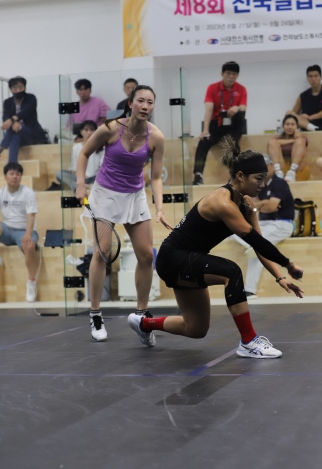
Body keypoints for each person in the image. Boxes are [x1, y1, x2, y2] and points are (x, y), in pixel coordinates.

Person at [128, 136, 304, 359]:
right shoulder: (222, 203)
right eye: (258, 179)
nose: (262, 184)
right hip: (173, 259)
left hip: (189, 260)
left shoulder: (247, 204)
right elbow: (256, 241)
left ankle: (144, 324)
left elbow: (260, 245)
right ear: (240, 176)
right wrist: (288, 263)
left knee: (196, 329)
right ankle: (249, 341)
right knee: (231, 271)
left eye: (264, 178)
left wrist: (280, 277)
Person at [76, 85, 173, 342]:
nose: (145, 106)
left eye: (150, 102)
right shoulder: (110, 128)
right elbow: (84, 153)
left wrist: (159, 208)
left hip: (134, 196)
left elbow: (156, 177)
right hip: (105, 195)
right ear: (130, 103)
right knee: (103, 252)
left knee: (146, 255)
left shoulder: (156, 137)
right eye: (140, 101)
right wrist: (80, 184)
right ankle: (95, 314)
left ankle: (141, 316)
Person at [233, 157, 295, 299]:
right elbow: (250, 205)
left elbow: (270, 207)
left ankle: (249, 290)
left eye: (266, 167)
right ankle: (255, 247)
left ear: (272, 166)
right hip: (265, 224)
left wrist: (260, 205)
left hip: (281, 224)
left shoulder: (279, 183)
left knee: (258, 247)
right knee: (233, 229)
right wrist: (263, 204)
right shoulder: (259, 184)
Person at [192, 61, 247, 185]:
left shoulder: (242, 89)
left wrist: (237, 108)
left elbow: (243, 108)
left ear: (237, 76)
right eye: (228, 73)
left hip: (233, 126)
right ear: (222, 74)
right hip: (216, 125)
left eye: (234, 74)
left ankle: (234, 176)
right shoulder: (212, 88)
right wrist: (205, 130)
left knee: (233, 145)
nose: (231, 77)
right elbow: (208, 109)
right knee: (203, 142)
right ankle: (198, 175)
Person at [0, 162, 40, 302]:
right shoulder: (1, 193)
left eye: (18, 174)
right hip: (7, 229)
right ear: (5, 176)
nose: (15, 176)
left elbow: (31, 216)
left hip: (24, 230)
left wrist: (28, 234)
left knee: (29, 245)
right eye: (11, 173)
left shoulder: (28, 193)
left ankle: (31, 282)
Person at [46, 120, 104, 191]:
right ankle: (77, 187)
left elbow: (102, 167)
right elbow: (73, 168)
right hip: (79, 178)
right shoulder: (76, 148)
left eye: (92, 130)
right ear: (81, 132)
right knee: (60, 174)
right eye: (86, 130)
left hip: (94, 178)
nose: (89, 133)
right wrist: (80, 176)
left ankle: (86, 185)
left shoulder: (101, 147)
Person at [0, 76, 47, 162]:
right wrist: (13, 123)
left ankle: (2, 146)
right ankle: (12, 165)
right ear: (11, 90)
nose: (18, 91)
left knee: (16, 130)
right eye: (15, 88)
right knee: (15, 137)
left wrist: (12, 120)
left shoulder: (31, 98)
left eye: (20, 87)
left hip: (31, 133)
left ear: (25, 87)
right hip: (17, 134)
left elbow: (26, 111)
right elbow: (5, 116)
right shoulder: (7, 102)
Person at [286, 65, 322, 131]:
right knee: (289, 113)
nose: (313, 79)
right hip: (308, 127)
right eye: (310, 76)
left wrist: (310, 117)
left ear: (320, 77)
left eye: (316, 76)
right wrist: (301, 118)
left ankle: (318, 129)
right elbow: (291, 116)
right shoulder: (302, 96)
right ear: (307, 78)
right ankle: (314, 128)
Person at [267, 114, 310, 182]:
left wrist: (297, 136)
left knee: (300, 141)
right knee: (271, 143)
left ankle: (291, 172)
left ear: (297, 127)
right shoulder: (278, 139)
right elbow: (273, 142)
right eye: (287, 124)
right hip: (282, 166)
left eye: (293, 124)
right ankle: (278, 173)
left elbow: (302, 142)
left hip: (298, 167)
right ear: (283, 126)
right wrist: (292, 140)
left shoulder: (301, 138)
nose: (290, 127)